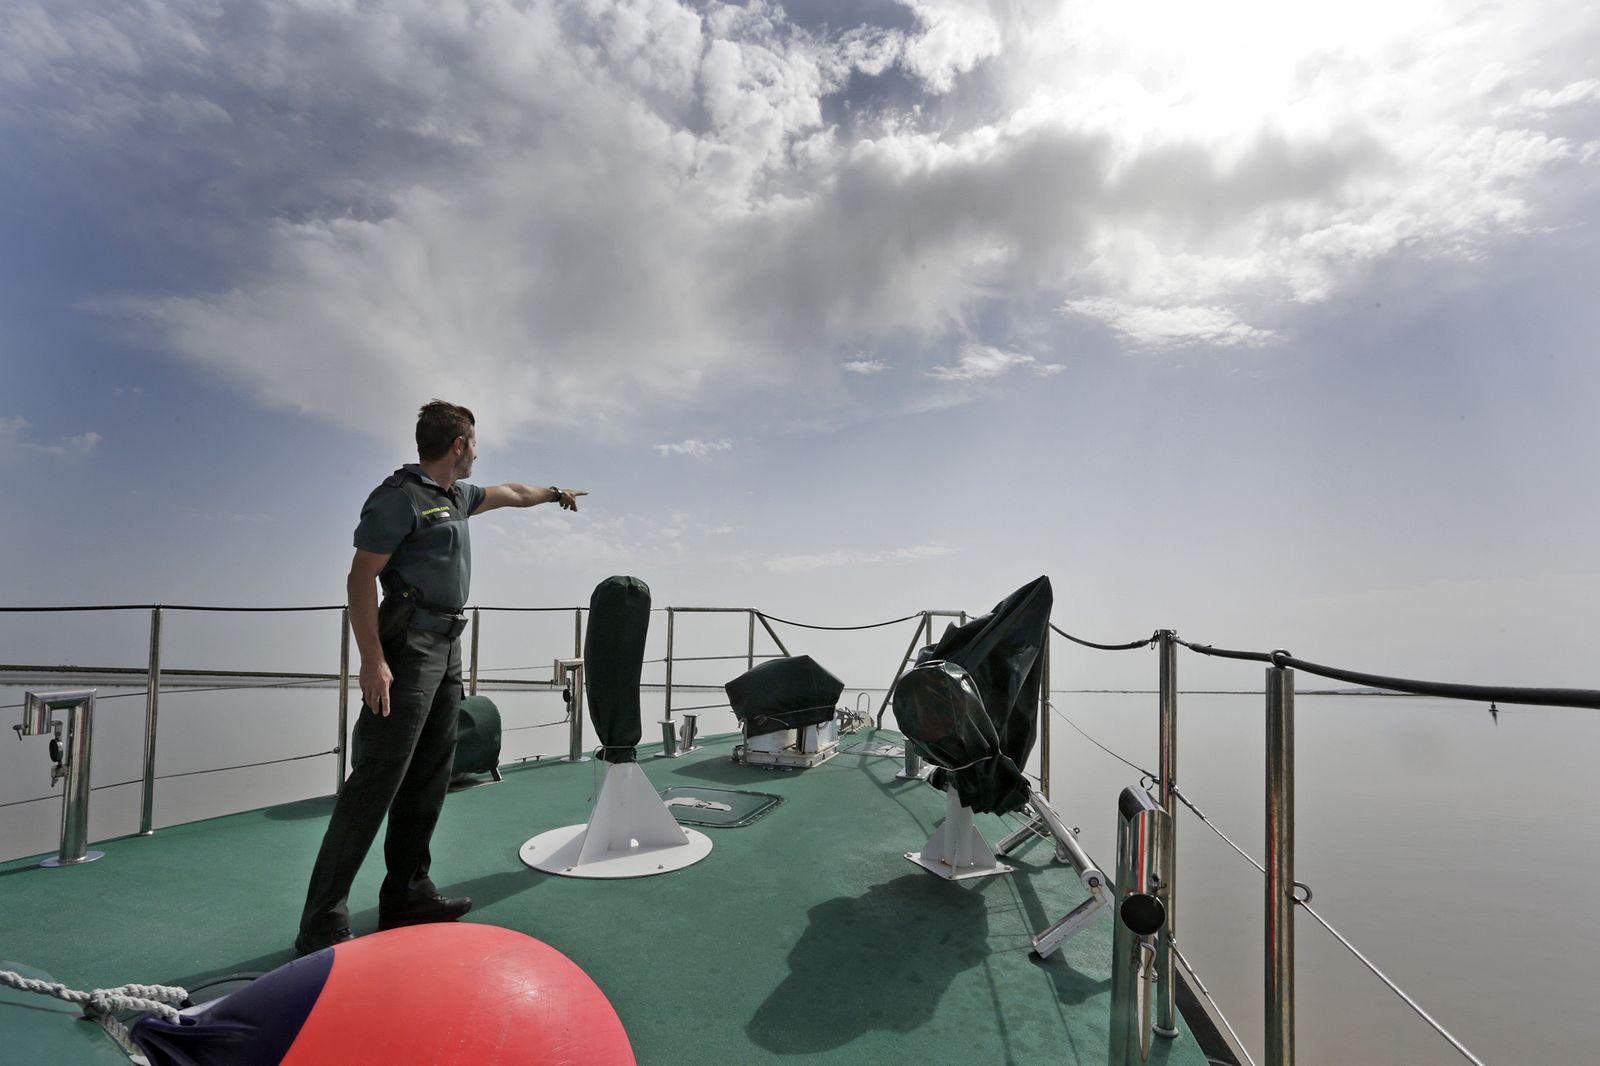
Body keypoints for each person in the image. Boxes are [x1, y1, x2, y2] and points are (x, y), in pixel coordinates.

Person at [296, 400, 585, 954]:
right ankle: (321, 919)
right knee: (376, 779)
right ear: (458, 444)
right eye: (474, 442)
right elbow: (360, 578)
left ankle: (407, 893)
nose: (477, 451)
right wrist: (373, 660)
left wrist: (554, 494)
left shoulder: (457, 496)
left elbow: (512, 492)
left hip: (448, 644)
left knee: (430, 773)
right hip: (407, 645)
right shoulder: (399, 497)